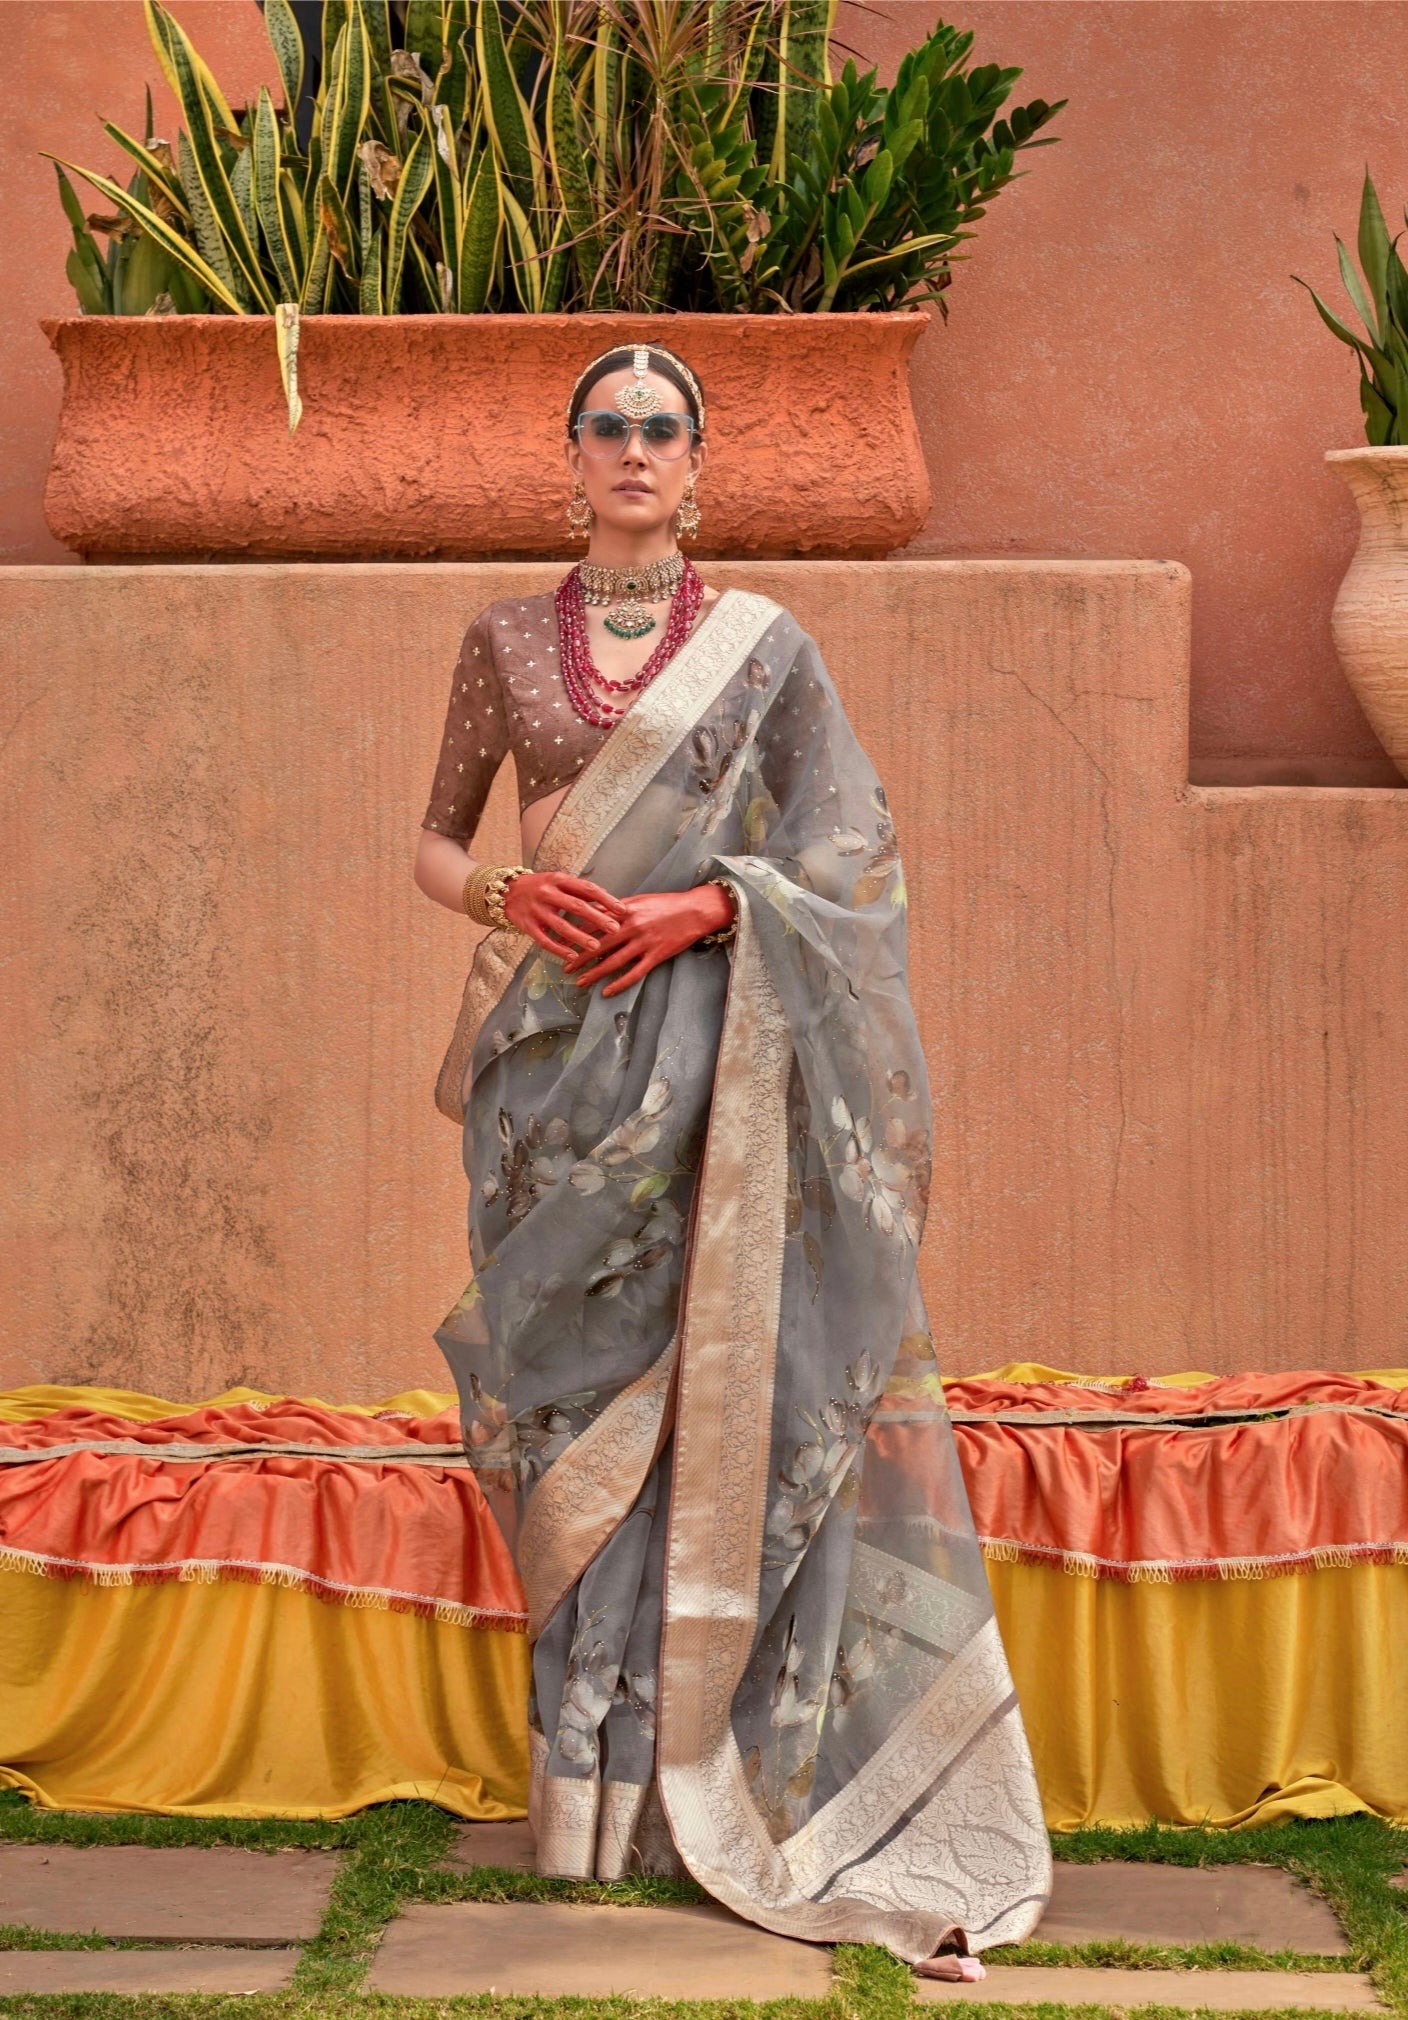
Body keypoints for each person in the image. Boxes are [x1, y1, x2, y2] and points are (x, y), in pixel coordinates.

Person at [412, 342, 1051, 1975]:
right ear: (570, 458)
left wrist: (709, 906)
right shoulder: (502, 643)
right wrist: (507, 899)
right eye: (608, 428)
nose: (634, 450)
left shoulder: (767, 653)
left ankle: (690, 1769)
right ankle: (582, 1798)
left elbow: (846, 849)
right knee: (563, 1414)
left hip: (712, 1065)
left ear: (699, 465)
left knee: (709, 1396)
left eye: (662, 430)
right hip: (551, 1085)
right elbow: (436, 837)